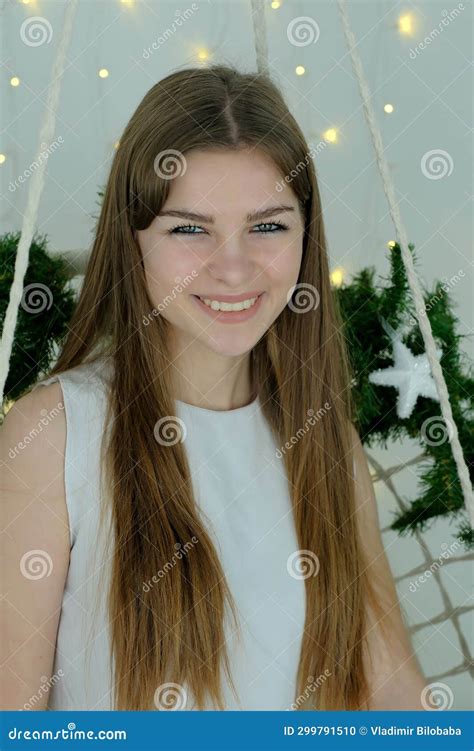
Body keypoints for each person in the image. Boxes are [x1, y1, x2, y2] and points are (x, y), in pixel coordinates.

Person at [1, 64, 428, 711]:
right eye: (190, 228)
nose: (234, 268)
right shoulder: (52, 435)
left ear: (305, 237)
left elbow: (392, 689)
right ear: (133, 240)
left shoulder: (323, 440)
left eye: (268, 225)